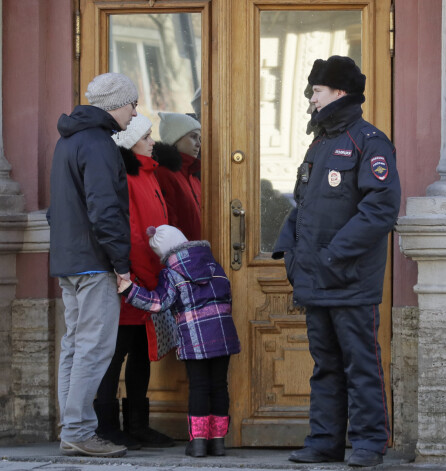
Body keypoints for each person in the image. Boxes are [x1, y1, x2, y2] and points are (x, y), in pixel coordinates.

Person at [272, 56, 401, 467]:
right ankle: (324, 442)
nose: (311, 98)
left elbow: (379, 210)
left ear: (339, 93)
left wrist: (332, 255)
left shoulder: (370, 142)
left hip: (349, 278)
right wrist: (288, 251)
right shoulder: (320, 143)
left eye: (317, 91)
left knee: (359, 364)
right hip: (314, 277)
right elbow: (303, 205)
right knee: (325, 366)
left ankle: (367, 444)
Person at [47, 72, 138, 457]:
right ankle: (80, 431)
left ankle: (72, 429)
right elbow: (106, 211)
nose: (135, 114)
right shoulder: (100, 144)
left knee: (74, 347)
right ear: (117, 104)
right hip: (94, 262)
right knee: (93, 348)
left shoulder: (67, 141)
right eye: (132, 104)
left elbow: (58, 209)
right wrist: (121, 264)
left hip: (68, 260)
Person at [119, 225, 241, 458]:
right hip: (223, 333)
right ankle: (217, 442)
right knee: (219, 385)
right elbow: (227, 292)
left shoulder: (171, 273)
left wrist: (129, 290)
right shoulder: (213, 263)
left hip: (195, 338)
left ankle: (197, 443)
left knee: (199, 386)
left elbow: (158, 303)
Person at [93, 114, 174, 449]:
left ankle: (138, 424)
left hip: (149, 281)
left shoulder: (148, 173)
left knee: (141, 352)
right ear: (130, 142)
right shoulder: (126, 177)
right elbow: (133, 235)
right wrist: (144, 277)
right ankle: (106, 425)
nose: (153, 141)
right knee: (116, 355)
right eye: (147, 136)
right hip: (132, 282)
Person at [153, 112, 202, 240]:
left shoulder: (193, 175)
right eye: (193, 137)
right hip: (184, 255)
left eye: (199, 139)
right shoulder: (164, 173)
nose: (198, 144)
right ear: (175, 138)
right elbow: (169, 222)